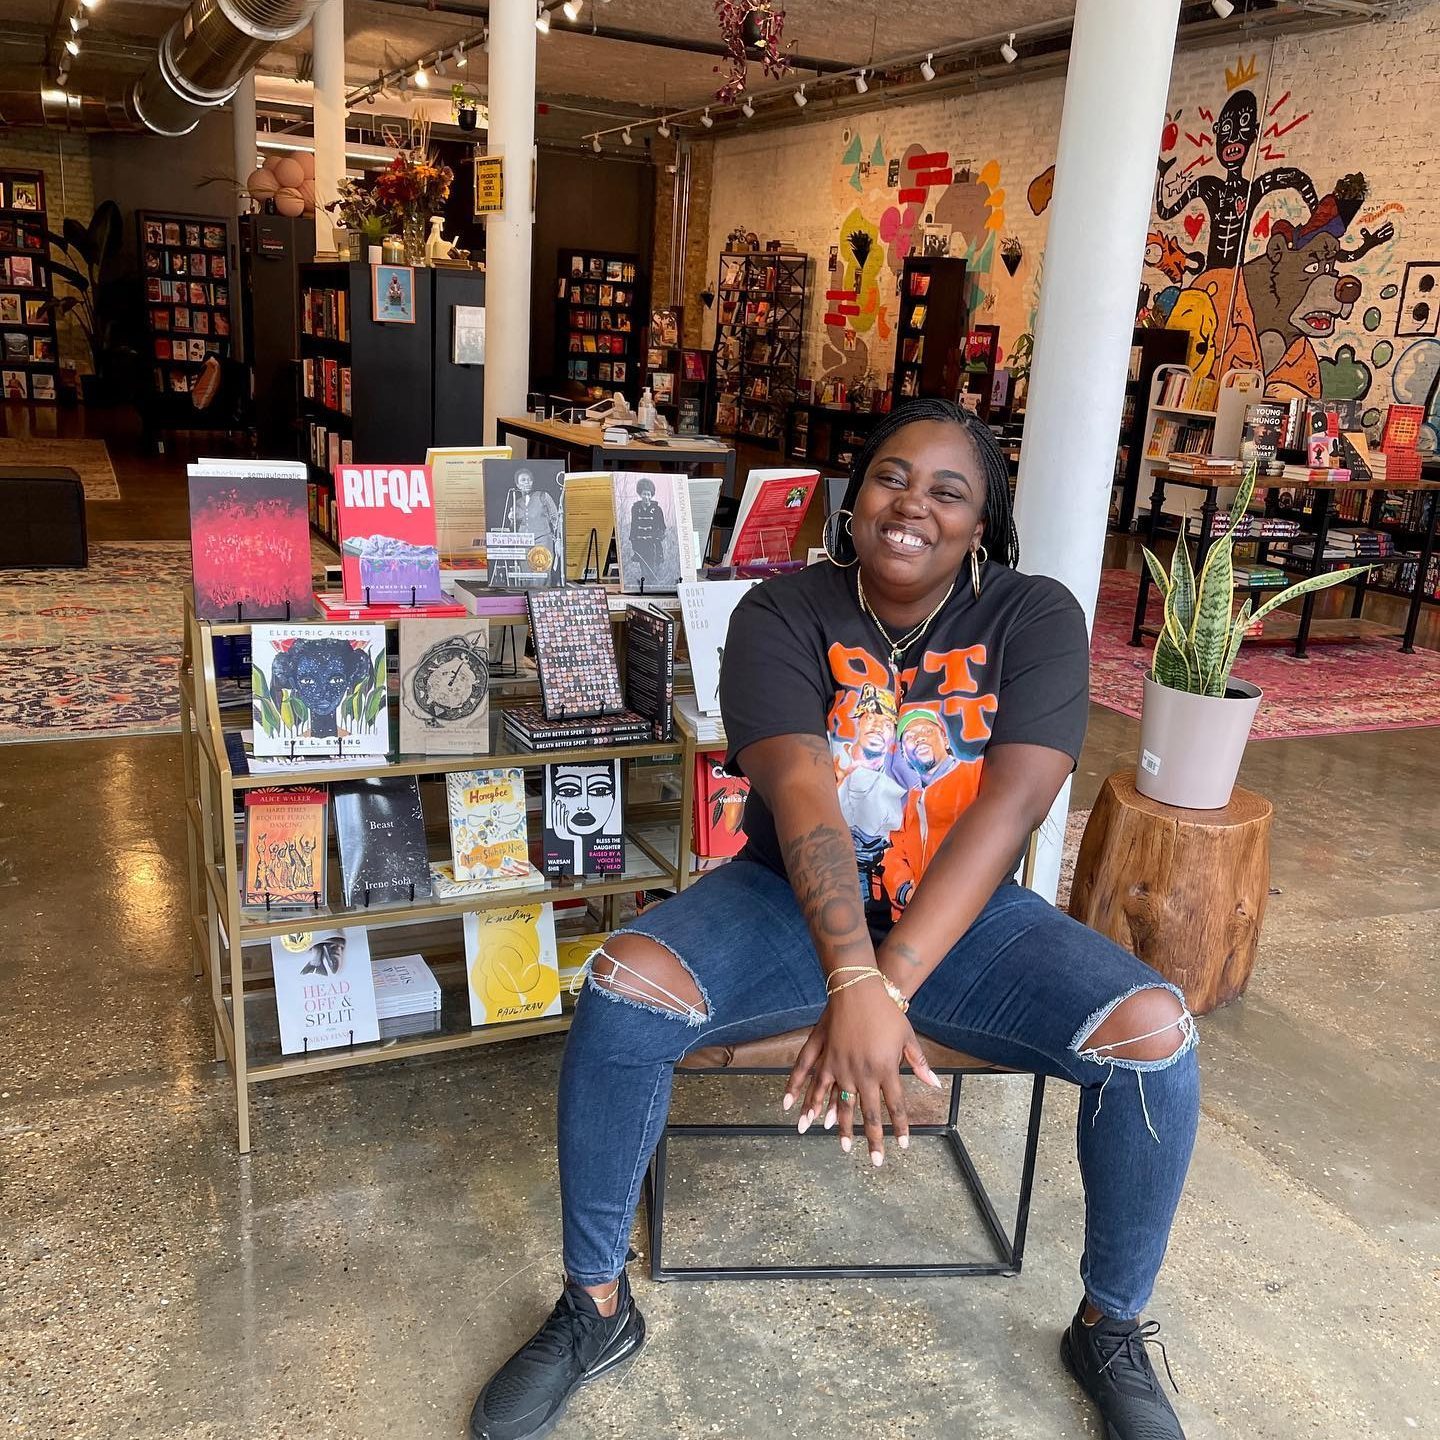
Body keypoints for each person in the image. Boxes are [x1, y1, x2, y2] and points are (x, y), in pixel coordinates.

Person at [468, 399, 1200, 1440]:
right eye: (893, 478)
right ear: (854, 500)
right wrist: (856, 978)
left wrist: (886, 984)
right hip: (786, 907)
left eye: (951, 491)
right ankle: (594, 1308)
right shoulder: (783, 612)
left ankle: (1111, 1324)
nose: (915, 506)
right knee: (622, 991)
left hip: (969, 918)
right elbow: (802, 790)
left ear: (983, 521)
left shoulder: (1034, 618)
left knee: (1156, 1037)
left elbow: (1013, 805)